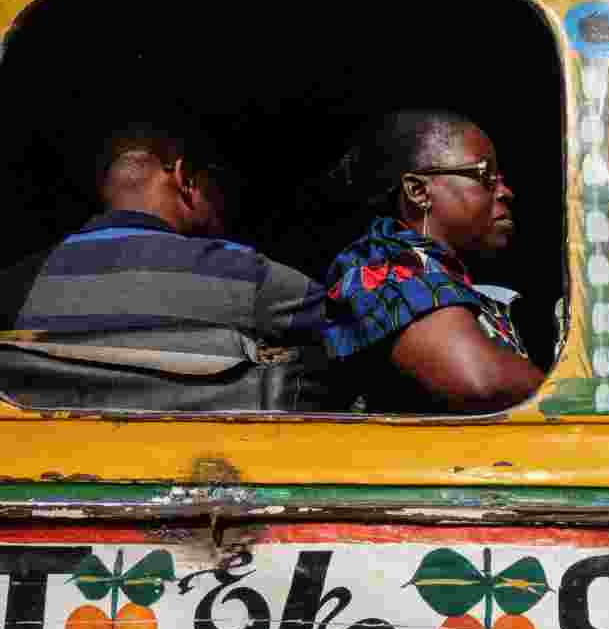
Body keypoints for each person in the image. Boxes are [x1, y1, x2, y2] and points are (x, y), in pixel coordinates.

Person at [1, 122, 330, 410]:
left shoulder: (19, 284)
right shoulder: (242, 273)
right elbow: (346, 317)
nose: (225, 202)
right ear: (185, 178)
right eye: (217, 183)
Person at [323, 109, 545, 413]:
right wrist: (572, 388)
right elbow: (478, 379)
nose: (505, 192)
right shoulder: (380, 262)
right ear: (418, 191)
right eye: (486, 176)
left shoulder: (447, 277)